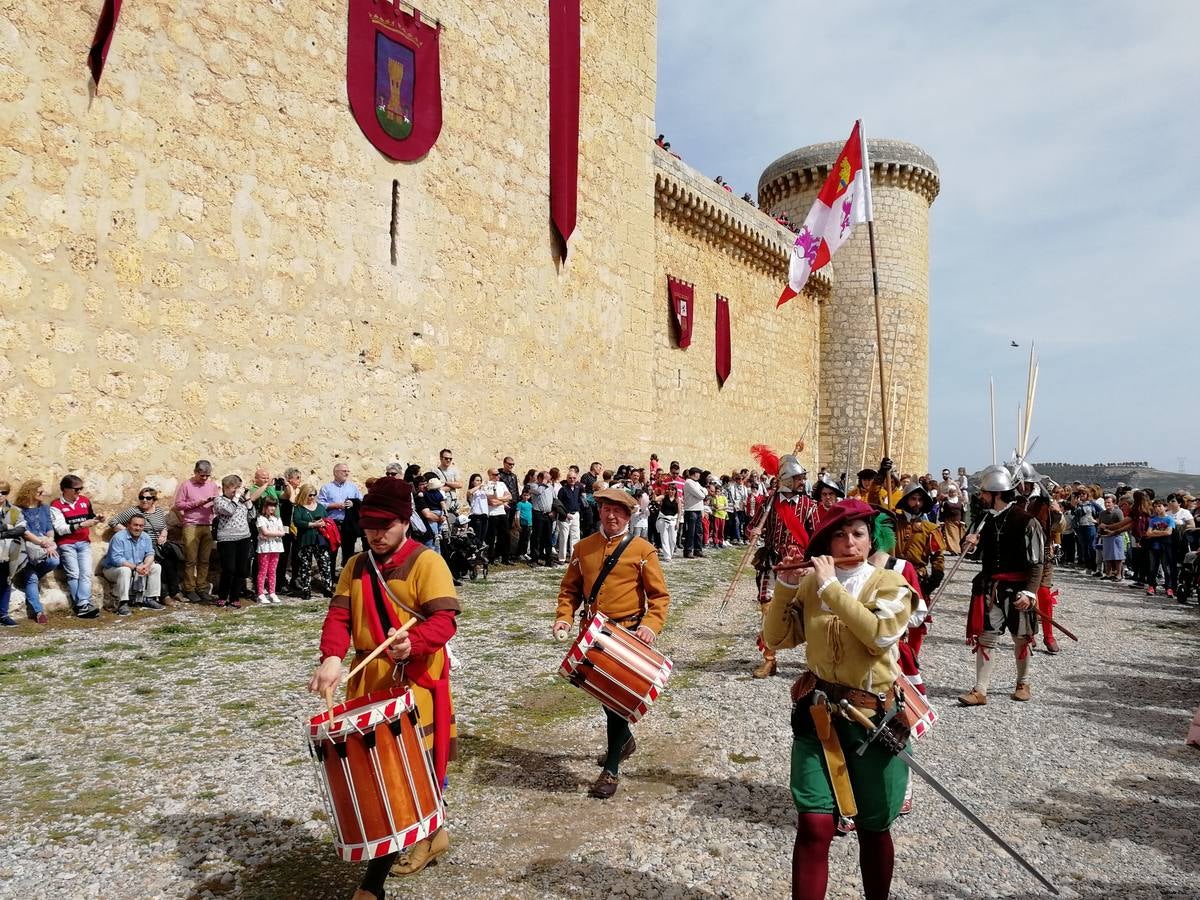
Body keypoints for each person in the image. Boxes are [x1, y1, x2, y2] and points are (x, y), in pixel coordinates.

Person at [309, 477, 459, 896]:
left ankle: (372, 886)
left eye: (385, 526)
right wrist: (332, 657)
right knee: (383, 774)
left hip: (414, 679)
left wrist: (415, 642)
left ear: (404, 522)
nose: (375, 534)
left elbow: (443, 620)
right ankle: (435, 835)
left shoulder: (427, 562)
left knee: (408, 771)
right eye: (369, 525)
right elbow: (339, 616)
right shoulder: (355, 565)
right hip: (369, 678)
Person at [762, 499, 914, 900]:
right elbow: (777, 639)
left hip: (873, 718)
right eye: (840, 535)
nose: (849, 542)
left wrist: (831, 587)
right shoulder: (811, 583)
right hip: (819, 715)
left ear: (871, 538)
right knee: (814, 824)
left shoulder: (891, 584)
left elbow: (879, 635)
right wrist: (788, 587)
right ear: (827, 543)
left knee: (874, 826)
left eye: (858, 534)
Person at [553, 488, 670, 800]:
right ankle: (624, 743)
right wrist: (564, 617)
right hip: (593, 635)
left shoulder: (643, 550)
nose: (612, 516)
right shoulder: (583, 547)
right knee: (607, 699)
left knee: (618, 704)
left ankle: (612, 770)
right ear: (600, 511)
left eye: (619, 511)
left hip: (629, 634)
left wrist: (650, 627)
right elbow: (570, 590)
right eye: (607, 509)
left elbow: (659, 597)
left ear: (629, 515)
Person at [960, 466, 1045, 706]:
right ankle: (980, 690)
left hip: (1018, 588)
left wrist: (1030, 592)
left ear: (996, 493)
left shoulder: (1027, 521)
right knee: (986, 637)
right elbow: (971, 553)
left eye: (984, 492)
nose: (981, 496)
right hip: (990, 588)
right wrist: (971, 544)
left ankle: (1023, 682)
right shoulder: (983, 519)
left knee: (1021, 637)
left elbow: (1037, 562)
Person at [750, 452, 813, 679]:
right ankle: (769, 659)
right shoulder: (770, 502)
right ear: (787, 480)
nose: (802, 482)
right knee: (768, 608)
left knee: (807, 611)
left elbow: (816, 535)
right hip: (771, 561)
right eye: (799, 479)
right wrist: (755, 530)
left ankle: (816, 660)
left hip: (798, 564)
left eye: (803, 479)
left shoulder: (808, 504)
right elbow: (754, 525)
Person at [111, 488, 181, 601]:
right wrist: (129, 532)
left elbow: (163, 526)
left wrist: (164, 534)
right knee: (158, 565)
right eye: (142, 497)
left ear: (154, 500)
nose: (144, 500)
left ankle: (175, 592)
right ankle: (164, 596)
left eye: (148, 498)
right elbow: (113, 522)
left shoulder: (158, 511)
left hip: (160, 545)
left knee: (171, 563)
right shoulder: (133, 511)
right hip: (144, 545)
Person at [49, 475, 102, 618]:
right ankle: (83, 604)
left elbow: (90, 517)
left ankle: (82, 604)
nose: (79, 492)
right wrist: (80, 525)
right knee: (74, 574)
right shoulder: (56, 505)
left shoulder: (84, 501)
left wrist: (97, 519)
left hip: (83, 542)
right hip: (66, 544)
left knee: (85, 573)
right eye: (76, 489)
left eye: (81, 489)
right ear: (65, 489)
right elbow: (60, 528)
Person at [11, 480, 58, 624]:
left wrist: (49, 541)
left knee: (54, 560)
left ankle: (28, 579)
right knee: (31, 578)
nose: (43, 494)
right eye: (39, 492)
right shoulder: (17, 510)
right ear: (30, 493)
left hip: (43, 546)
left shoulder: (44, 508)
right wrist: (42, 542)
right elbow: (23, 532)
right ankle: (38, 612)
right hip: (26, 548)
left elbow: (49, 528)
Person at [173, 460, 219, 602]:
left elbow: (217, 504)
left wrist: (214, 502)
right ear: (195, 471)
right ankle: (189, 589)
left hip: (208, 525)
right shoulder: (186, 485)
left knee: (205, 560)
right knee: (190, 560)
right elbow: (178, 504)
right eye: (202, 475)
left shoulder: (212, 486)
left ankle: (202, 587)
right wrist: (196, 503)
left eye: (207, 475)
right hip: (191, 525)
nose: (204, 478)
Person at [100, 513, 163, 615]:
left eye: (141, 526)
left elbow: (150, 553)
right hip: (113, 569)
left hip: (136, 567)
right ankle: (123, 603)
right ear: (129, 525)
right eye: (135, 525)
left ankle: (150, 598)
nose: (138, 528)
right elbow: (117, 559)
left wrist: (146, 565)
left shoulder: (145, 537)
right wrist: (136, 567)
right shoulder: (119, 537)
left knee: (156, 567)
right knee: (125, 570)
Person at [893, 483, 945, 599]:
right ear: (906, 500)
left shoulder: (931, 529)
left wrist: (935, 578)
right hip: (893, 577)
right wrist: (880, 477)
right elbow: (874, 502)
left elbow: (938, 557)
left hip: (917, 579)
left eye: (920, 500)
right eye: (913, 499)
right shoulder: (893, 522)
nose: (917, 503)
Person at [213, 474, 255, 608]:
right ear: (225, 488)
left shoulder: (241, 500)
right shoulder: (219, 500)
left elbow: (252, 515)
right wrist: (236, 497)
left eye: (238, 488)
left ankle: (235, 597)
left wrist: (247, 499)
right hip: (227, 539)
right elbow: (229, 510)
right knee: (228, 568)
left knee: (241, 569)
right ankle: (223, 596)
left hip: (244, 538)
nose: (236, 491)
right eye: (233, 488)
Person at [292, 484, 334, 600]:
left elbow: (327, 519)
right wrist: (313, 524)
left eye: (314, 495)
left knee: (325, 564)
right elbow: (297, 522)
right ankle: (306, 590)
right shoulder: (299, 508)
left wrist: (323, 523)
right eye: (309, 495)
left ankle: (327, 588)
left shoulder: (320, 507)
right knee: (305, 566)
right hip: (305, 540)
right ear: (304, 495)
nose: (312, 497)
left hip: (320, 540)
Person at [318, 464, 364, 569]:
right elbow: (320, 504)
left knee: (348, 553)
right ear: (336, 473)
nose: (347, 473)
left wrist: (353, 504)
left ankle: (346, 578)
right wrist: (334, 505)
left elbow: (361, 501)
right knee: (331, 553)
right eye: (344, 471)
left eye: (348, 471)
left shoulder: (353, 487)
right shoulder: (326, 488)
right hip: (333, 525)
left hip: (348, 524)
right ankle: (331, 579)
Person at [0, 481, 31, 627]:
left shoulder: (14, 511)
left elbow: (21, 529)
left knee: (6, 581)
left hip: (8, 552)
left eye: (4, 492)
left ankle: (3, 614)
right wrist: (8, 527)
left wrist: (2, 532)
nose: (0, 495)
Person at [255, 497, 286, 604]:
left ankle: (272, 592)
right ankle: (260, 593)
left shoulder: (277, 519)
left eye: (274, 506)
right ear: (264, 507)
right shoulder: (260, 518)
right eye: (270, 506)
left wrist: (274, 533)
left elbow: (282, 532)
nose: (272, 508)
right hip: (264, 548)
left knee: (272, 571)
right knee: (263, 571)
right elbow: (265, 532)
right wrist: (276, 533)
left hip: (276, 547)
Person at [1145, 499, 1177, 598]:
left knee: (1166, 568)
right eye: (1155, 507)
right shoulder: (1153, 520)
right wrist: (1159, 533)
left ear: (1165, 507)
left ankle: (1169, 587)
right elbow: (1148, 533)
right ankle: (1152, 585)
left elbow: (1169, 532)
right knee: (1152, 567)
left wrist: (1155, 533)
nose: (1157, 508)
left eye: (1159, 506)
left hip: (1166, 546)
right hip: (1154, 546)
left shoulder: (1170, 519)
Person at [485, 467, 513, 564]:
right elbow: (491, 502)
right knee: (492, 537)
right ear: (490, 475)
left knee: (506, 535)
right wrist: (503, 500)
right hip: (492, 514)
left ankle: (505, 557)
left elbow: (510, 496)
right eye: (496, 474)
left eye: (498, 474)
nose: (498, 476)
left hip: (502, 512)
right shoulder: (487, 485)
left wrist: (499, 499)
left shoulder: (501, 484)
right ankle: (491, 557)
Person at [556, 469, 584, 562]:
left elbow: (579, 500)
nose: (572, 479)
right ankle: (562, 558)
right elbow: (558, 504)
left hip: (575, 514)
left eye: (574, 478)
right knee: (564, 536)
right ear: (567, 479)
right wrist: (566, 514)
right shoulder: (563, 490)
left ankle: (573, 557)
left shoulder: (577, 488)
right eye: (570, 478)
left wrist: (578, 510)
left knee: (575, 536)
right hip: (565, 516)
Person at [681, 468, 707, 558]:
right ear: (694, 474)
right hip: (691, 510)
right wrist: (702, 492)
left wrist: (702, 491)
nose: (699, 475)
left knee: (698, 531)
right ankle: (688, 551)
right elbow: (701, 495)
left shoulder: (696, 483)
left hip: (698, 509)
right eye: (698, 473)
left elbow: (705, 491)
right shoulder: (688, 482)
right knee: (690, 532)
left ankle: (698, 550)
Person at [656, 483, 680, 560]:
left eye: (672, 490)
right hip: (663, 519)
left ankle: (671, 553)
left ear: (675, 491)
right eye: (669, 489)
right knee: (664, 537)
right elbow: (655, 499)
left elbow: (680, 512)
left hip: (673, 520)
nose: (670, 491)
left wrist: (678, 523)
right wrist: (655, 492)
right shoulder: (664, 497)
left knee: (673, 539)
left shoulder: (677, 500)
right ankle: (667, 556)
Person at [465, 474, 489, 546]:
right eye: (477, 480)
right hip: (476, 517)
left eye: (480, 480)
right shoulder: (472, 492)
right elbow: (469, 492)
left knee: (482, 538)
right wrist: (479, 486)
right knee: (476, 538)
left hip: (484, 516)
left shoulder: (483, 492)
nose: (479, 482)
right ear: (472, 482)